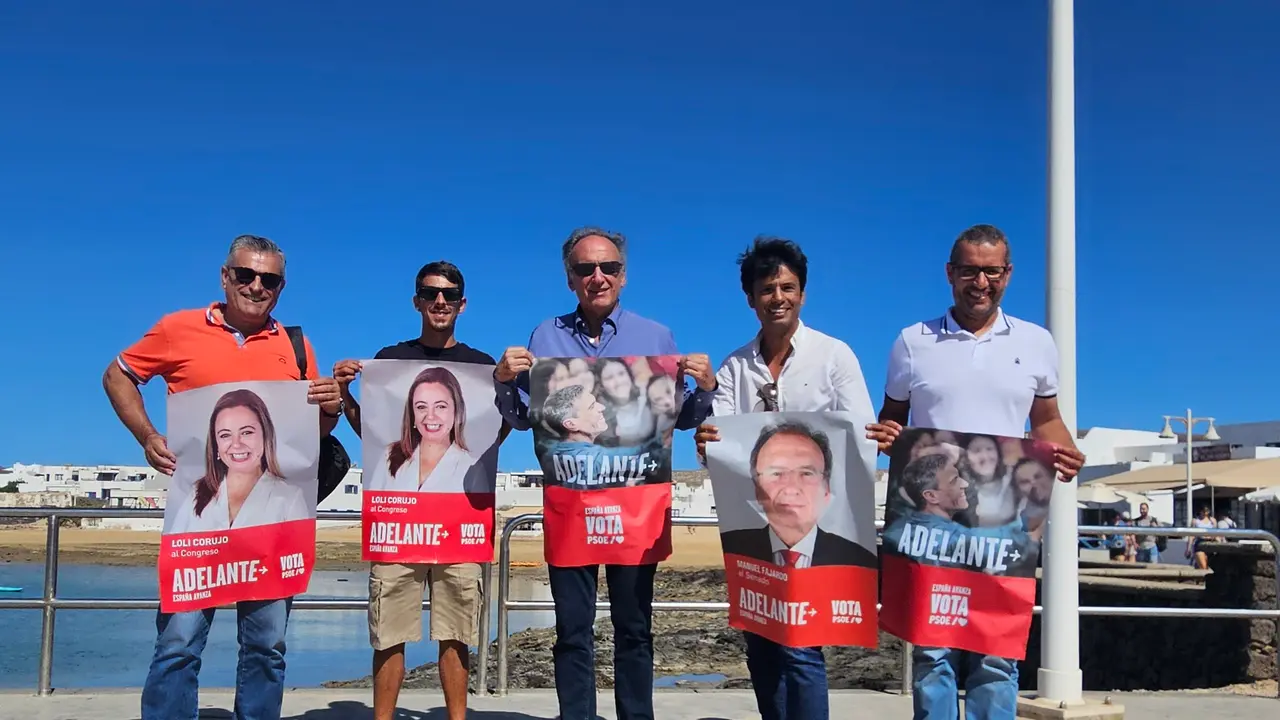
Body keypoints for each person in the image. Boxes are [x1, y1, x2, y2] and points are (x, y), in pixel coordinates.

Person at [102, 234, 342, 720]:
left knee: (267, 647)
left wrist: (331, 409)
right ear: (225, 277)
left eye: (269, 279)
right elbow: (118, 375)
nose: (257, 286)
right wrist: (147, 437)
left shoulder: (295, 345)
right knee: (178, 645)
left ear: (282, 285)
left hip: (274, 525)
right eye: (246, 275)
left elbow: (307, 432)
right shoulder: (178, 328)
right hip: (197, 524)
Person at [493, 226, 717, 720]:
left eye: (608, 267)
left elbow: (682, 418)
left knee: (634, 630)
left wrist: (705, 387)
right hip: (570, 510)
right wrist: (503, 382)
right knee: (572, 632)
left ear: (624, 275)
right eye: (585, 268)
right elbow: (520, 417)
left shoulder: (657, 337)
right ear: (569, 277)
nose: (598, 277)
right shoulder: (543, 336)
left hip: (636, 514)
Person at [865, 224, 1085, 720]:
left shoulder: (1036, 342)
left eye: (992, 271)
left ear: (1007, 274)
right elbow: (893, 418)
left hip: (1002, 523)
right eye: (969, 270)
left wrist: (1067, 452)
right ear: (950, 273)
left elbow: (1046, 419)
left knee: (995, 654)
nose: (980, 282)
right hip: (930, 525)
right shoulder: (911, 342)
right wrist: (885, 436)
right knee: (933, 654)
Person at [695, 236, 877, 720]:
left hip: (816, 525)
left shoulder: (834, 356)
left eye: (788, 287)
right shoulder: (735, 365)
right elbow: (723, 445)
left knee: (801, 644)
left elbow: (860, 437)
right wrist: (706, 444)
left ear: (802, 293)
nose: (778, 297)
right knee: (761, 642)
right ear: (750, 297)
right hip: (755, 526)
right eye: (767, 288)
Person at [331, 260, 500, 720]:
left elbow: (498, 432)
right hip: (397, 527)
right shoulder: (390, 359)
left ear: (462, 303)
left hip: (459, 526)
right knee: (389, 632)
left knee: (457, 632)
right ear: (416, 301)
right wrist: (346, 394)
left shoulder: (483, 366)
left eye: (448, 294)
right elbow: (371, 431)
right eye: (429, 293)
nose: (439, 301)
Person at [719, 420, 877, 569]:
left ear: (827, 488)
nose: (791, 488)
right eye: (776, 473)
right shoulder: (732, 551)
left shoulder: (857, 558)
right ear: (757, 489)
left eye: (807, 473)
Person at [168, 388, 310, 534]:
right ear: (215, 443)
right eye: (225, 435)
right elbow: (174, 552)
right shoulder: (196, 495)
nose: (236, 444)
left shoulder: (290, 499)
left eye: (246, 432)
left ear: (266, 434)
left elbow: (299, 555)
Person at [364, 366, 486, 494]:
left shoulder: (472, 468)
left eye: (440, 406)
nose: (430, 416)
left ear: (457, 411)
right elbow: (374, 508)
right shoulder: (390, 456)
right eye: (421, 407)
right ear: (412, 413)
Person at [537, 383, 665, 488]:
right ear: (571, 424)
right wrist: (662, 429)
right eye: (592, 406)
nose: (602, 407)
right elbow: (636, 455)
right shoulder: (589, 458)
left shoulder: (554, 453)